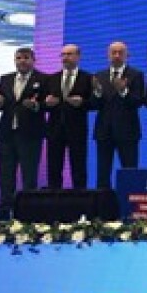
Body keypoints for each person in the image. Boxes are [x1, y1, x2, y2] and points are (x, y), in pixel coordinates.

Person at [0, 47, 47, 220]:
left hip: (30, 135)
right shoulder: (5, 79)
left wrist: (36, 106)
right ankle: (3, 212)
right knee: (5, 176)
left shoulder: (43, 79)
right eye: (19, 58)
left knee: (29, 176)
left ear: (33, 60)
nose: (22, 61)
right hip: (6, 134)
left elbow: (49, 103)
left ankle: (28, 213)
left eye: (26, 57)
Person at [91, 41, 145, 190]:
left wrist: (123, 91)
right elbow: (94, 105)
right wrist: (97, 93)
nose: (116, 56)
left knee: (130, 173)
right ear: (108, 55)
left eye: (120, 52)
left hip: (128, 132)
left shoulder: (136, 75)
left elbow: (138, 102)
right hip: (104, 131)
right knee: (102, 174)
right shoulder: (99, 76)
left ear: (127, 55)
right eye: (113, 52)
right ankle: (102, 204)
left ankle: (128, 203)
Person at [43, 44, 92, 190]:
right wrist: (47, 103)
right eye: (63, 54)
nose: (65, 58)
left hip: (77, 129)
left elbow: (95, 103)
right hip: (54, 129)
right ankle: (54, 200)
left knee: (78, 168)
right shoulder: (51, 79)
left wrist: (82, 102)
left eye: (69, 54)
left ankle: (80, 200)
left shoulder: (88, 78)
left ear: (78, 57)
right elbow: (42, 103)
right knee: (54, 168)